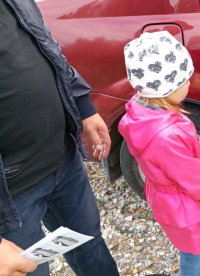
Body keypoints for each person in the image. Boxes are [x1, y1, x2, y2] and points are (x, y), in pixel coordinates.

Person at [0, 0, 119, 275]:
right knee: (31, 270)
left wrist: (82, 105)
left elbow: (45, 44)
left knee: (90, 244)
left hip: (63, 159)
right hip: (11, 195)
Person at [118, 31, 200, 276]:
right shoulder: (167, 137)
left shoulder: (140, 112)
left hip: (167, 198)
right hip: (183, 204)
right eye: (184, 81)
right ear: (165, 89)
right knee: (194, 248)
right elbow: (193, 178)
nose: (190, 84)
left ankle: (197, 269)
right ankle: (194, 272)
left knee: (191, 244)